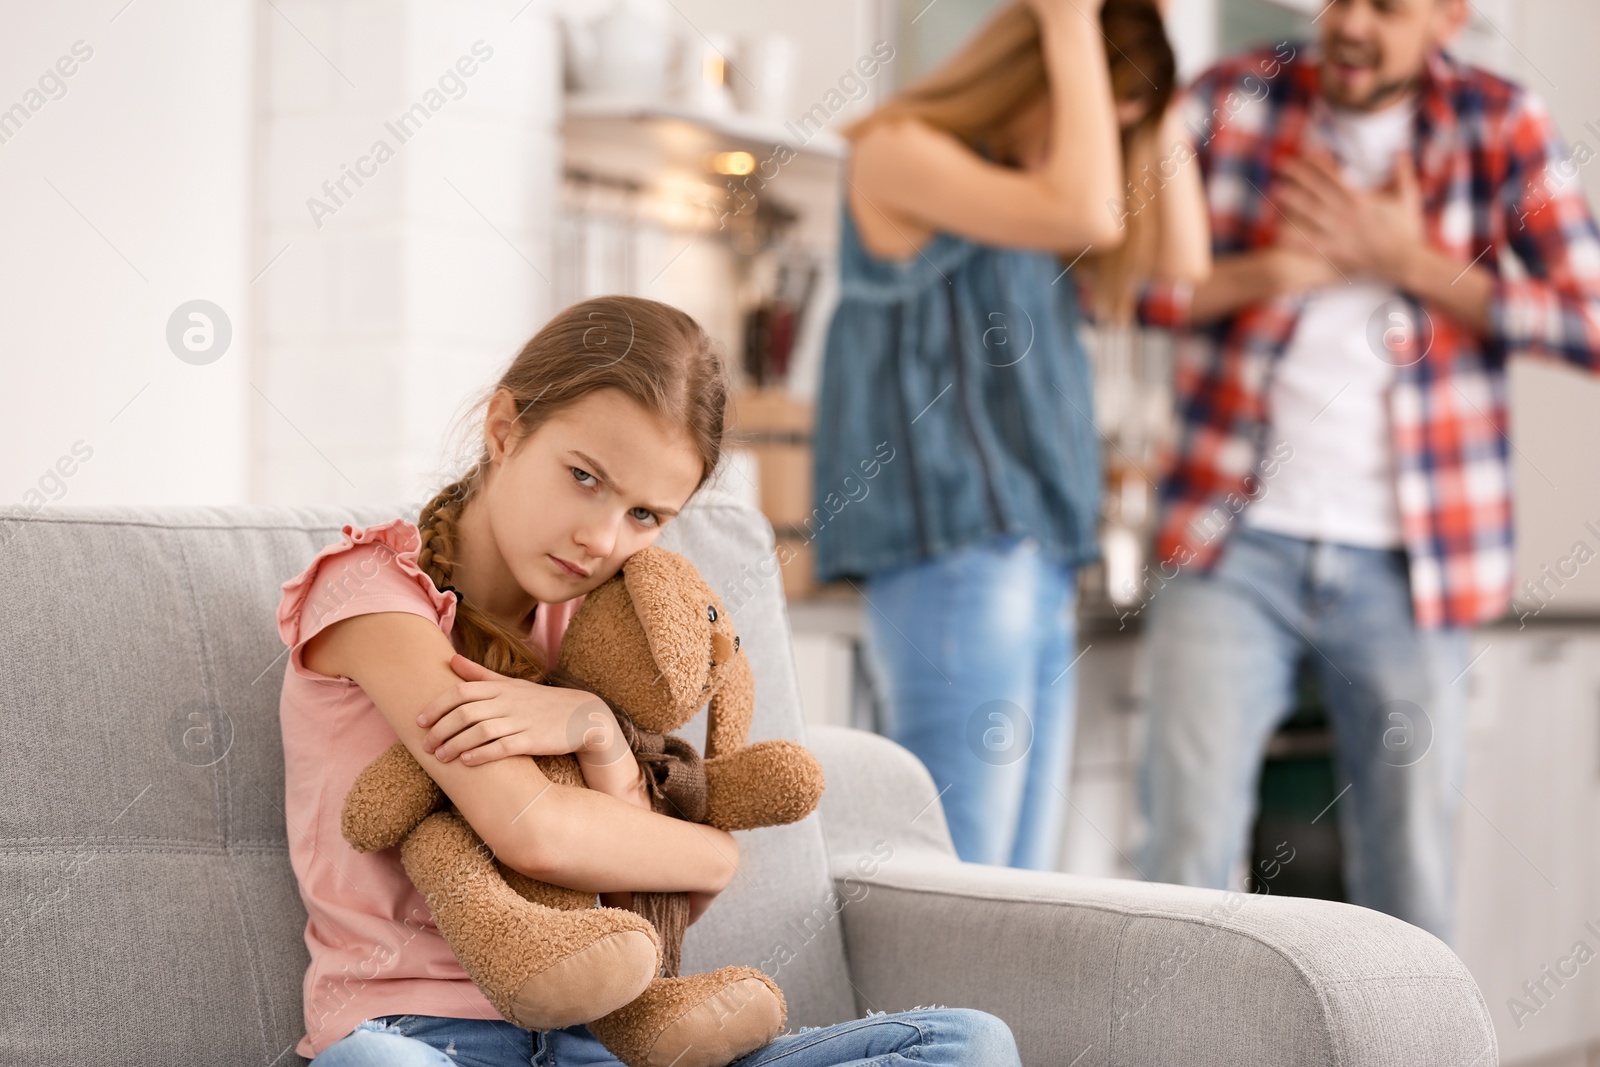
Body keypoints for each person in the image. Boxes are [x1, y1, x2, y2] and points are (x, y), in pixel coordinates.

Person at [275, 295, 1025, 1066]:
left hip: (602, 1043)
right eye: (583, 476)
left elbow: (652, 902)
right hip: (424, 1041)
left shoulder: (600, 626)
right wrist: (714, 855)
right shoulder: (372, 595)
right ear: (505, 429)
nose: (600, 538)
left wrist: (595, 731)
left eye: (643, 514)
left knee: (967, 1042)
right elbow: (535, 831)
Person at [1130, 0, 1600, 945]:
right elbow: (1133, 285)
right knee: (1181, 859)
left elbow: (1588, 320)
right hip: (1230, 543)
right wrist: (1273, 270)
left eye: (1386, 8)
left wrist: (1409, 261)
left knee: (1410, 876)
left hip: (1413, 564)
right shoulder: (1231, 98)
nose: (1350, 25)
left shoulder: (1499, 121)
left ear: (1447, 18)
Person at [811, 0, 1208, 870]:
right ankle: (936, 1019)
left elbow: (1182, 258)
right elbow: (1094, 214)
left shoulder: (1029, 202)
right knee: (964, 875)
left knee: (1016, 890)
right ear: (1034, 74)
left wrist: (1157, 72)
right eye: (1095, 114)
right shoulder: (902, 151)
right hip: (957, 556)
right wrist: (1069, 21)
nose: (1096, 140)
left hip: (1038, 555)